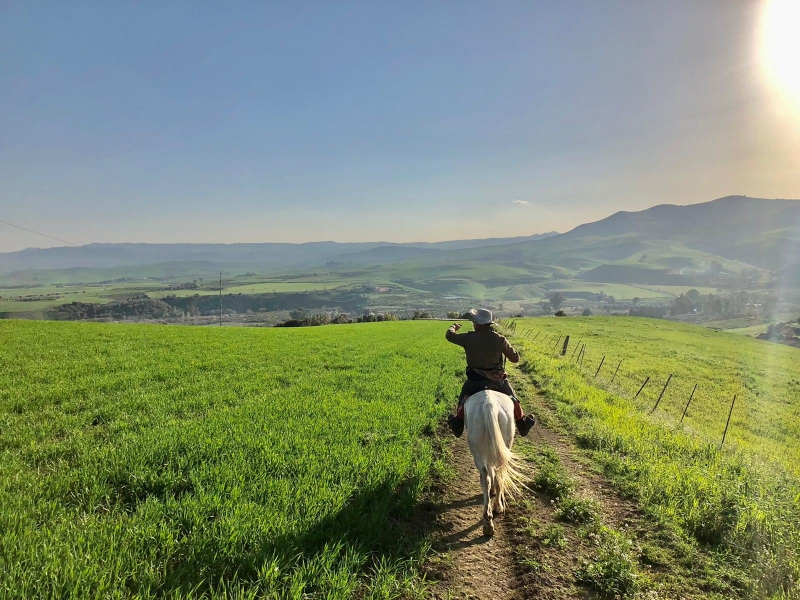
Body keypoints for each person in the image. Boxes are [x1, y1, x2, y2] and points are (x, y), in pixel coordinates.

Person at [446, 308, 536, 438]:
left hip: (474, 381)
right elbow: (515, 359)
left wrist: (453, 327)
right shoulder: (500, 339)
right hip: (497, 380)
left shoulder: (468, 338)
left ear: (477, 323)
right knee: (513, 399)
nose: (473, 323)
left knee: (463, 401)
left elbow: (449, 336)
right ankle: (522, 424)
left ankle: (457, 425)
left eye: (474, 321)